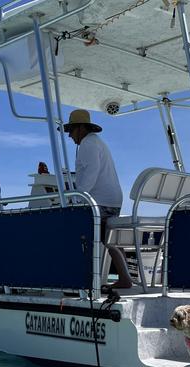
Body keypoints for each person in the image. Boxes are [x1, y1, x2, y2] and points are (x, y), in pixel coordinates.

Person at [63, 109, 132, 289]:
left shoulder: (87, 144)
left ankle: (82, 280)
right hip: (113, 199)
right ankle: (125, 278)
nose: (70, 135)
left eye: (71, 130)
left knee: (79, 235)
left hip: (100, 201)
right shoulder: (97, 142)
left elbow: (90, 176)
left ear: (80, 128)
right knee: (111, 240)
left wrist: (76, 198)